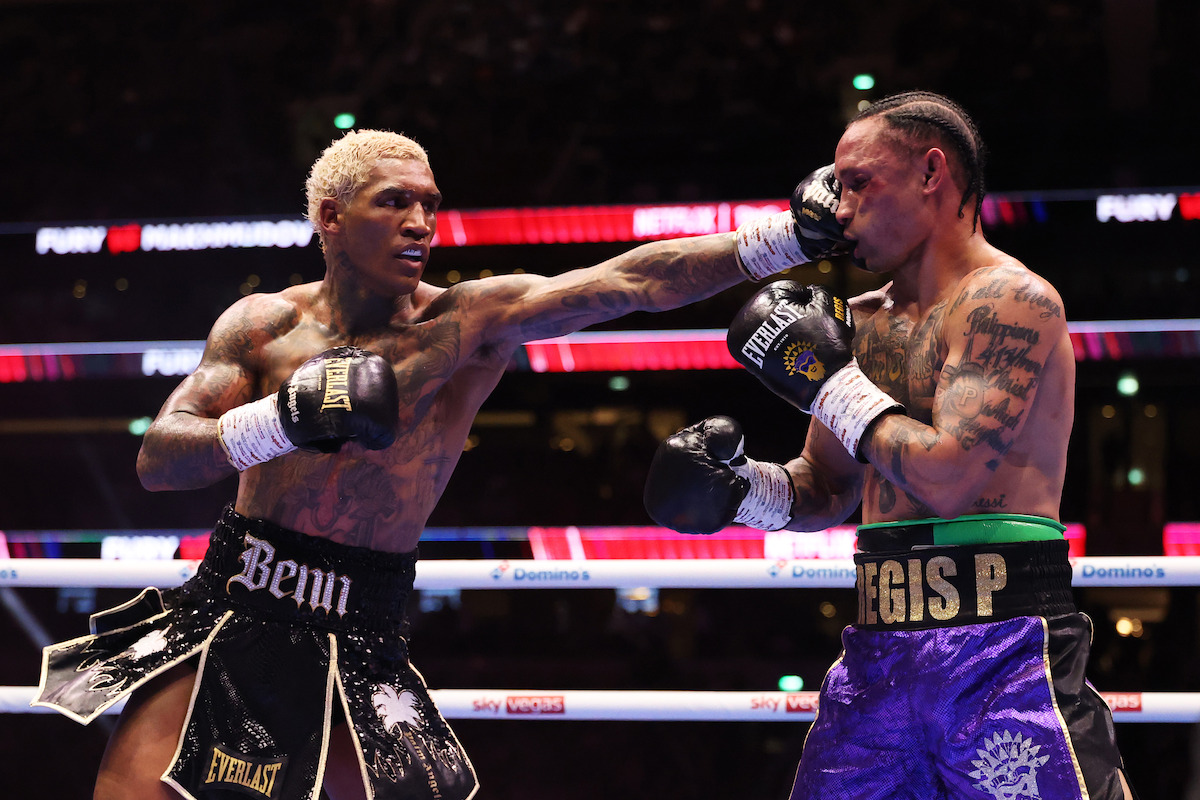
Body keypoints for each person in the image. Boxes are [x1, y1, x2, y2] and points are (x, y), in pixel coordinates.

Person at [32, 129, 844, 800]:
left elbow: (630, 280)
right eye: (396, 202)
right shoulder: (262, 324)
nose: (422, 221)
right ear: (331, 217)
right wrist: (281, 420)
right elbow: (159, 458)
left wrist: (784, 238)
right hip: (233, 604)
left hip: (363, 629)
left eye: (430, 204)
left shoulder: (467, 325)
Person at [644, 91, 1137, 800]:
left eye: (858, 181)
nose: (837, 208)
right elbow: (825, 486)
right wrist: (738, 490)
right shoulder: (862, 323)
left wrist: (830, 383)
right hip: (878, 655)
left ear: (932, 172)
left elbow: (950, 477)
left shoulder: (1011, 301)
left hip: (1004, 651)